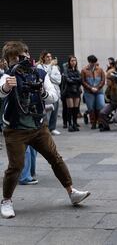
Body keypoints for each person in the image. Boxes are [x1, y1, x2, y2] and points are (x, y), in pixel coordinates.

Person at [0, 41, 90, 219]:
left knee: (55, 158)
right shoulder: (7, 75)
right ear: (7, 61)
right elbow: (1, 91)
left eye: (22, 56)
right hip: (15, 129)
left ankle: (72, 192)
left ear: (28, 54)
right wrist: (6, 87)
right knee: (16, 166)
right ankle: (6, 201)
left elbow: (54, 97)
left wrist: (42, 92)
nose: (19, 60)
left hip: (38, 126)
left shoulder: (40, 73)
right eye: (13, 58)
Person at [37, 51, 61, 135]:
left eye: (50, 56)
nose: (49, 58)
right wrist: (50, 74)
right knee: (47, 112)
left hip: (56, 92)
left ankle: (52, 128)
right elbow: (44, 77)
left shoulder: (55, 67)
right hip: (46, 93)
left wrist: (50, 76)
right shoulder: (40, 66)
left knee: (55, 111)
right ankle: (45, 128)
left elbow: (58, 80)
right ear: (43, 57)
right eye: (47, 56)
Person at [81, 55, 105, 130]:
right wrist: (90, 88)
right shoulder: (84, 70)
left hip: (99, 91)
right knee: (91, 107)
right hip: (88, 92)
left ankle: (100, 122)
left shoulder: (100, 69)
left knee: (100, 105)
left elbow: (103, 80)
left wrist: (97, 88)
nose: (93, 64)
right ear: (89, 62)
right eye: (92, 62)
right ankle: (93, 122)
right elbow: (83, 81)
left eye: (95, 62)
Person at [62, 56, 82, 132]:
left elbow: (80, 80)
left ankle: (75, 123)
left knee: (75, 109)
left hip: (76, 91)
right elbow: (67, 80)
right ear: (69, 62)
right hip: (69, 91)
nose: (73, 62)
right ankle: (69, 124)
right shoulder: (66, 70)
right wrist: (75, 79)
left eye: (75, 60)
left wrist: (73, 79)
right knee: (70, 108)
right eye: (72, 60)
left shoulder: (77, 70)